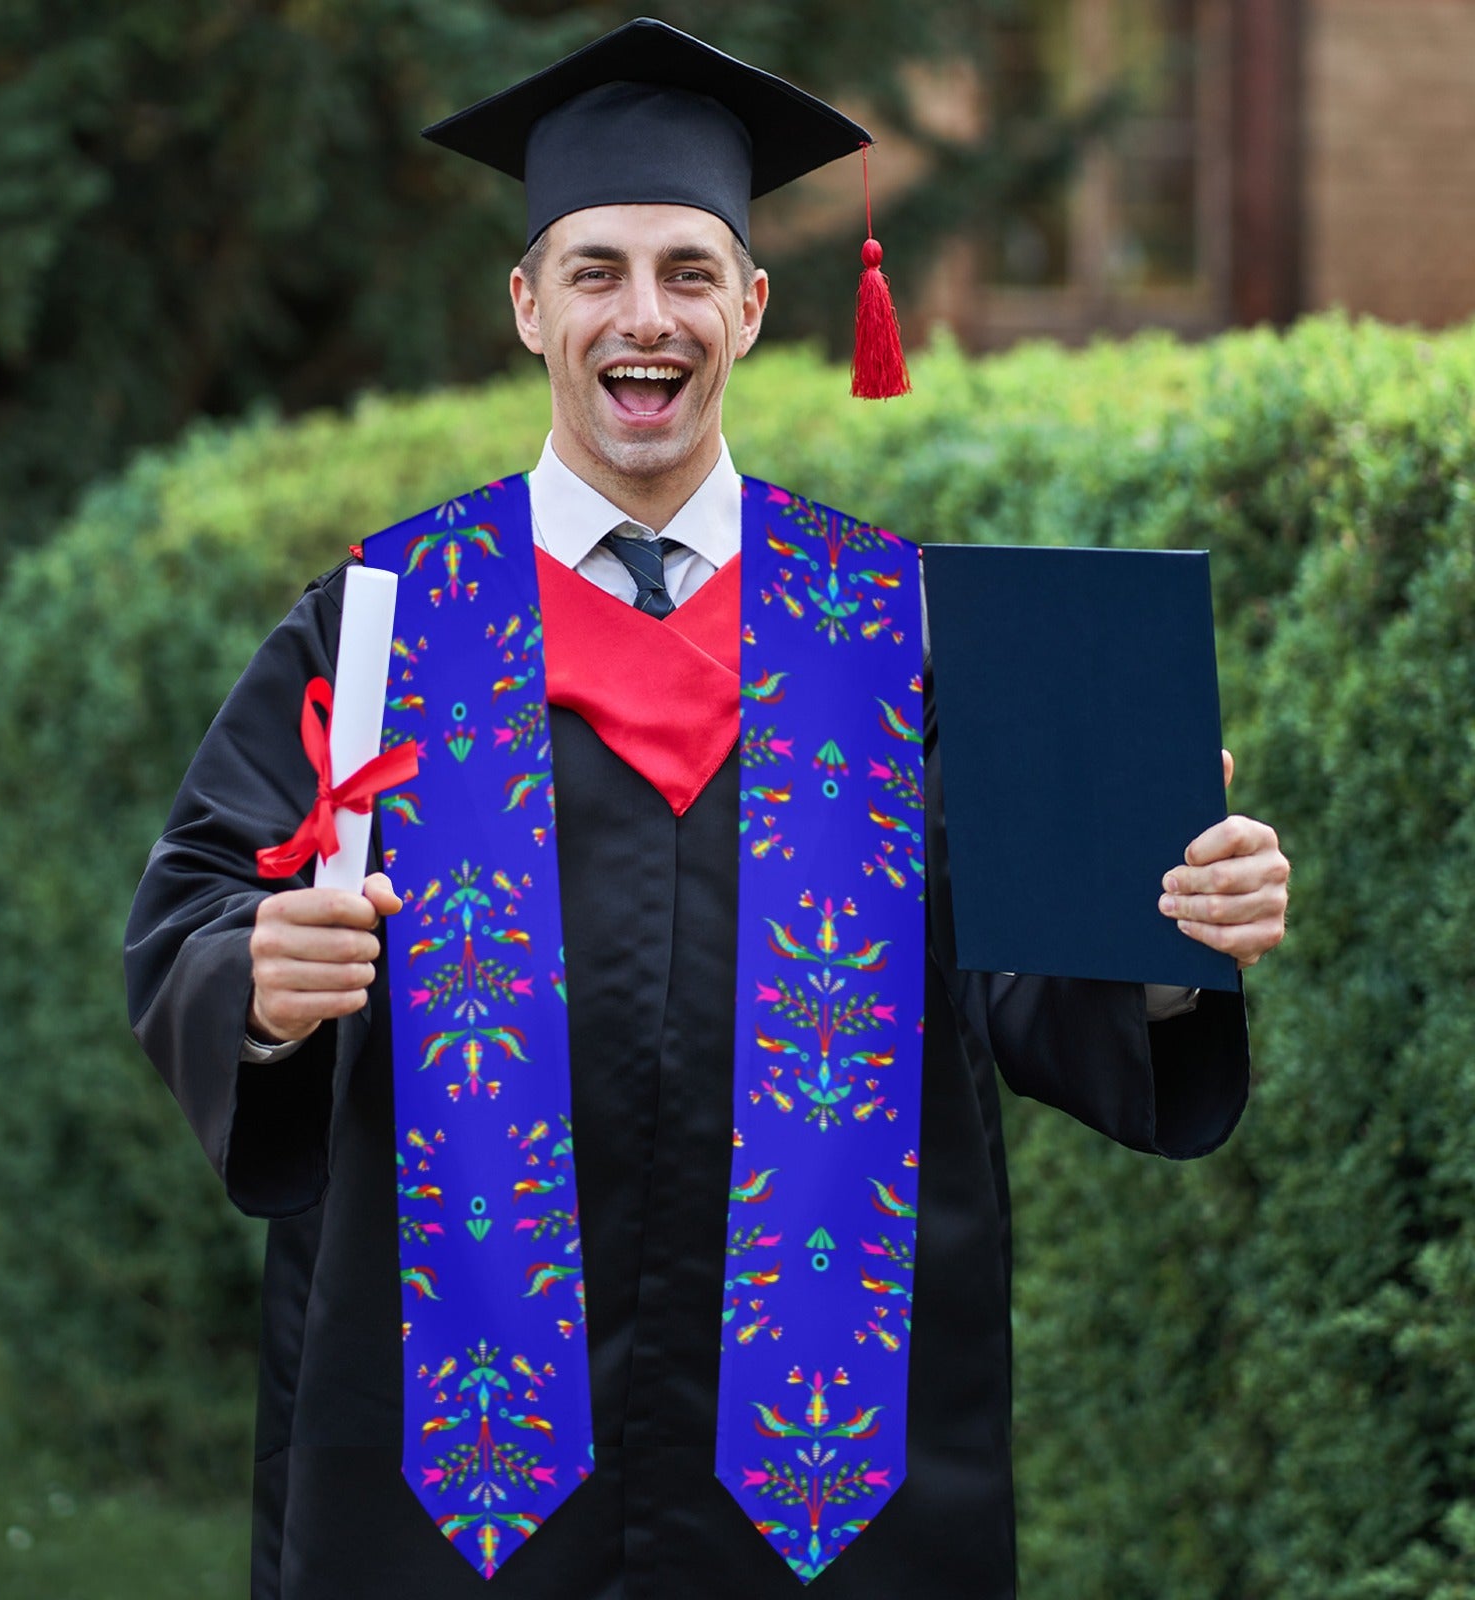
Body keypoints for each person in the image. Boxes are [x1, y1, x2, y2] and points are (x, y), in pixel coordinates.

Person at [124, 19, 1289, 1600]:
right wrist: (255, 984)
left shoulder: (898, 627)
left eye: (687, 270)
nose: (643, 316)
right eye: (596, 270)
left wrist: (1167, 934)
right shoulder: (393, 620)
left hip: (831, 1467)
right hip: (454, 1470)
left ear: (751, 305)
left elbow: (1027, 976)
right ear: (529, 305)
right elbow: (199, 900)